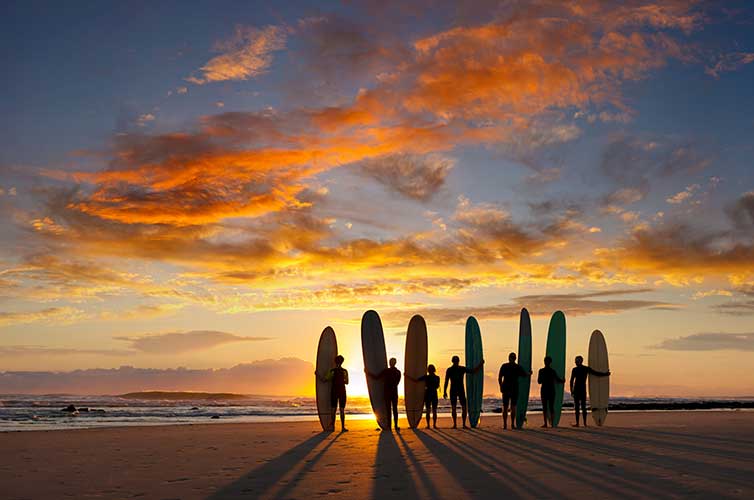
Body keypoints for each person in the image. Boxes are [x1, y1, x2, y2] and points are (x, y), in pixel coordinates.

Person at [443, 355, 484, 429]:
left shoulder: (455, 369)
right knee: (455, 407)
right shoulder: (455, 369)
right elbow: (446, 381)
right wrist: (444, 391)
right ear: (454, 361)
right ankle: (457, 424)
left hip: (457, 389)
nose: (456, 362)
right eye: (455, 361)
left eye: (456, 361)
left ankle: (462, 424)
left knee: (462, 407)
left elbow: (472, 371)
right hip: (457, 389)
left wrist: (480, 365)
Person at [570, 355, 610, 427]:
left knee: (582, 407)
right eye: (575, 360)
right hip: (579, 389)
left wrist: (605, 374)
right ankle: (579, 423)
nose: (575, 362)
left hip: (580, 389)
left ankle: (583, 423)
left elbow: (596, 373)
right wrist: (571, 390)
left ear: (580, 361)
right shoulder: (578, 369)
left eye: (577, 360)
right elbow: (571, 380)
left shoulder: (583, 369)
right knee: (579, 407)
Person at [497, 352, 532, 430]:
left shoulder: (504, 366)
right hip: (514, 388)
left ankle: (505, 425)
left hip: (506, 388)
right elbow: (525, 374)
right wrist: (530, 373)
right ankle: (512, 424)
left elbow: (499, 377)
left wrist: (501, 386)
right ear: (515, 358)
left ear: (509, 358)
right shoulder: (517, 367)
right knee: (513, 407)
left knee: (505, 407)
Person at [367, 358, 402, 431]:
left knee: (388, 409)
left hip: (387, 392)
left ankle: (389, 426)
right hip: (394, 392)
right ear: (395, 363)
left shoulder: (386, 371)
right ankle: (396, 426)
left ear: (390, 363)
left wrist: (368, 373)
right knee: (395, 409)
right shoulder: (398, 372)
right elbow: (397, 383)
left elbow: (376, 377)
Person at [316, 355, 349, 432]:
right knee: (342, 410)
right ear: (342, 362)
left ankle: (333, 427)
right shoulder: (345, 371)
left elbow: (324, 380)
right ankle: (343, 427)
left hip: (334, 391)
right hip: (342, 391)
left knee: (333, 410)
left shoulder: (332, 371)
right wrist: (341, 381)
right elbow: (347, 382)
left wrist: (317, 375)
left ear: (335, 362)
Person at [407, 364, 441, 429]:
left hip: (428, 393)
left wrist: (408, 376)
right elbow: (437, 386)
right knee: (434, 410)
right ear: (434, 370)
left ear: (428, 370)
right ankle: (434, 425)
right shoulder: (437, 377)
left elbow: (416, 380)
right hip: (434, 393)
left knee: (428, 410)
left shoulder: (426, 377)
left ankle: (428, 425)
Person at [538, 356, 565, 428]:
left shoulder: (541, 371)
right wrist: (563, 381)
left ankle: (545, 424)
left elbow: (539, 381)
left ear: (544, 362)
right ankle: (552, 423)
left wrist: (544, 378)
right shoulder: (552, 371)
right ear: (550, 363)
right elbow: (558, 380)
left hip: (544, 390)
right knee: (551, 407)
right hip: (551, 390)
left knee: (545, 407)